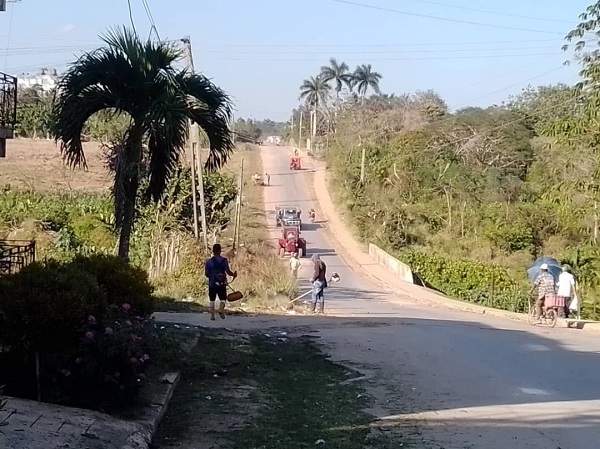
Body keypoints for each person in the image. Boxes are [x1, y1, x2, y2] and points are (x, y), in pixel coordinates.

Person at [204, 243, 237, 321]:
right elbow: (228, 271)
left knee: (212, 299)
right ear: (220, 251)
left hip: (212, 284)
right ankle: (221, 309)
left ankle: (212, 316)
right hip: (221, 284)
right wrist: (233, 275)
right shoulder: (224, 261)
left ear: (213, 251)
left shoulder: (208, 262)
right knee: (223, 298)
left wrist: (212, 277)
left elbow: (206, 273)